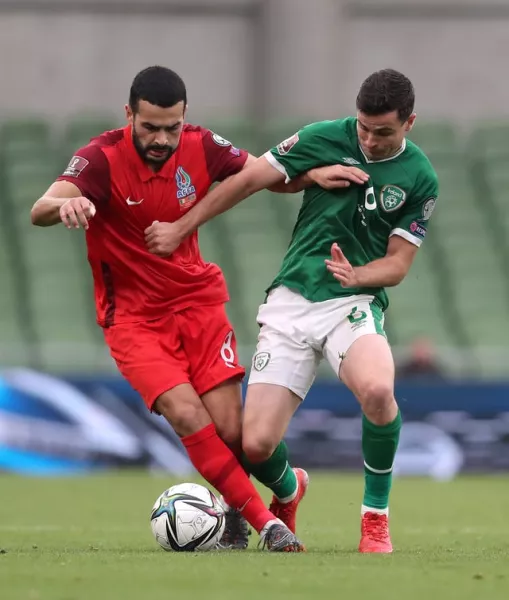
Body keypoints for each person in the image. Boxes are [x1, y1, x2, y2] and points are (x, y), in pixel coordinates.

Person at [30, 66, 365, 552]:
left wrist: (310, 175)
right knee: (187, 416)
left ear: (184, 117)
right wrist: (64, 207)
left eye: (172, 126)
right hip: (134, 319)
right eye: (150, 127)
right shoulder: (100, 158)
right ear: (129, 115)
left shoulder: (201, 144)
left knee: (233, 431)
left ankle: (277, 492)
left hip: (198, 303)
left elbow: (260, 174)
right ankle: (265, 523)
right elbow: (40, 206)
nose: (163, 138)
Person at [147, 69, 439, 554]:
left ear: (409, 123)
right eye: (364, 127)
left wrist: (358, 277)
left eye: (383, 132)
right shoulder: (323, 137)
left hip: (352, 302)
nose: (369, 139)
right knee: (254, 444)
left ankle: (374, 520)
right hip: (291, 303)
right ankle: (289, 488)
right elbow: (245, 181)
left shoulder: (421, 177)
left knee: (378, 389)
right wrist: (181, 227)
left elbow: (398, 264)